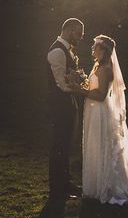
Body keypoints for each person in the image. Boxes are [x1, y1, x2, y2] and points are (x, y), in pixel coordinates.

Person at [68, 35, 128, 204]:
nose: (93, 49)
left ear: (103, 50)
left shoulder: (106, 70)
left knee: (103, 146)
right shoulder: (98, 66)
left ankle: (107, 186)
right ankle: (95, 186)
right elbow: (93, 87)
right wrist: (81, 82)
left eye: (95, 47)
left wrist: (79, 90)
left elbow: (101, 95)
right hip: (92, 111)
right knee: (94, 145)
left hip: (100, 112)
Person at [45, 18, 84, 200]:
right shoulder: (57, 51)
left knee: (66, 145)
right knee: (59, 145)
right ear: (70, 31)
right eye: (79, 34)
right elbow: (61, 84)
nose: (80, 38)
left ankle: (65, 182)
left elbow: (68, 79)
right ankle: (57, 187)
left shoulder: (67, 50)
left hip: (69, 105)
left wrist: (77, 79)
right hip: (60, 106)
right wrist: (83, 89)